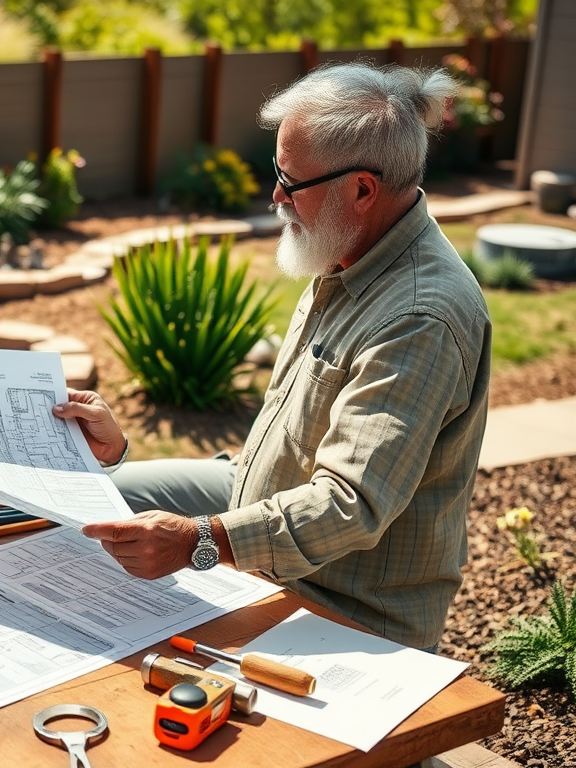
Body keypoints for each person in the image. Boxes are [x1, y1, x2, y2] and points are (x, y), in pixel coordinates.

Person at [53, 61, 492, 651]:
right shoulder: (348, 253)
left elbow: (348, 504)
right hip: (251, 503)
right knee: (94, 498)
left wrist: (199, 541)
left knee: (116, 645)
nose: (275, 196)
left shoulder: (420, 317)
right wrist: (121, 448)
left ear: (361, 190)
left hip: (344, 601)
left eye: (291, 181)